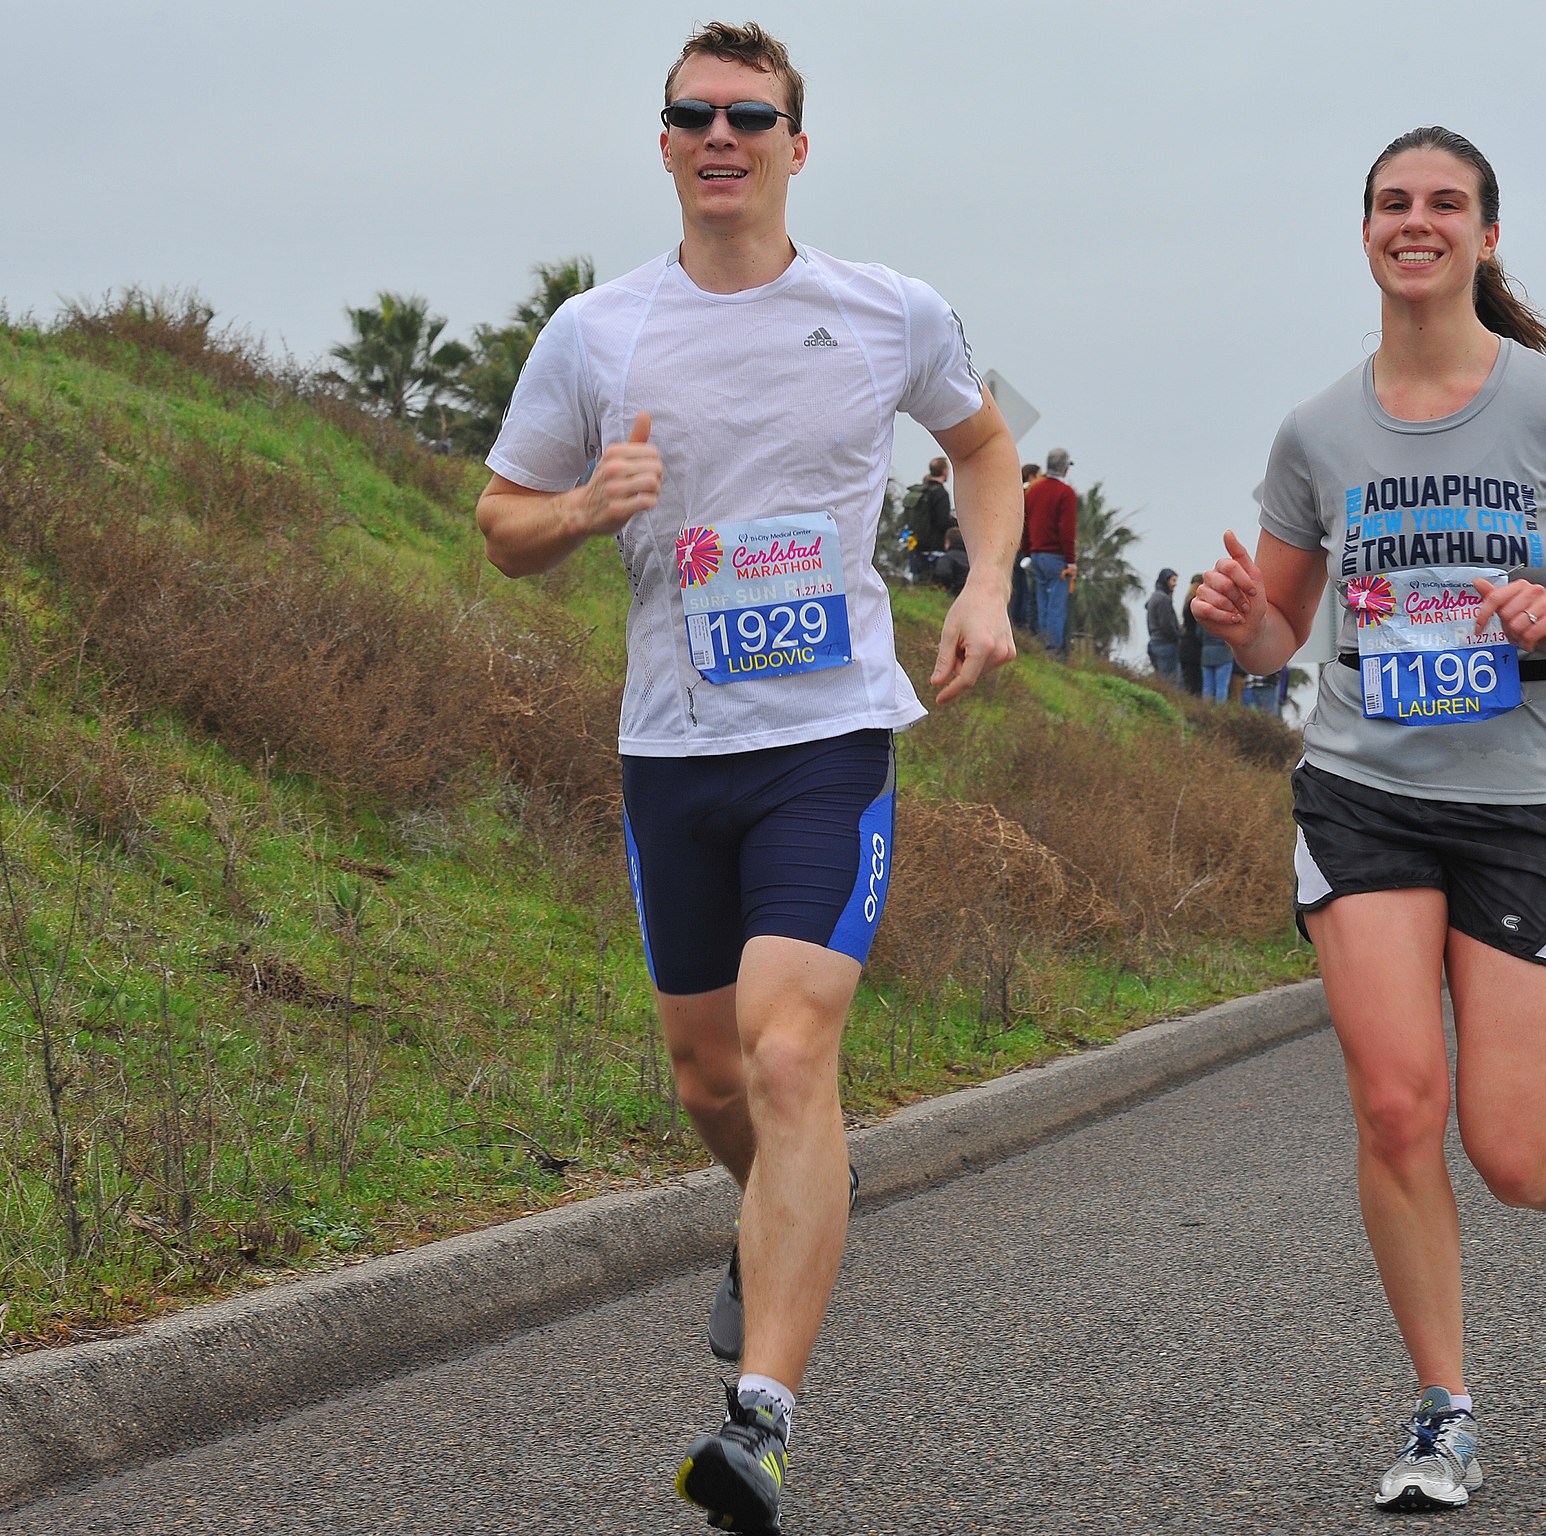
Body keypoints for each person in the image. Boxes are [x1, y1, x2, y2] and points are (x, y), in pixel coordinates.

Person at [475, 23, 1020, 1531]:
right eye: (692, 115)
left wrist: (984, 586)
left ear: (797, 143)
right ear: (663, 145)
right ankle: (778, 1209)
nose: (722, 136)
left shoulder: (890, 310)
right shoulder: (596, 333)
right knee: (711, 1075)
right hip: (673, 750)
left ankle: (758, 1423)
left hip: (827, 741)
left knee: (791, 1059)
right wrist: (588, 504)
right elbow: (499, 524)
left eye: (750, 115)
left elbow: (988, 449)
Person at [1193, 124, 1546, 1513]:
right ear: (1368, 234)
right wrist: (1242, 622)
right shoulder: (1317, 431)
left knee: (1511, 1145)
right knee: (1400, 1103)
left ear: (1484, 237)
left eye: (1446, 204)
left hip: (1524, 809)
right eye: (1394, 204)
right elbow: (1279, 634)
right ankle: (1443, 1411)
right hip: (1365, 797)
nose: (1417, 222)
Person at [1024, 447, 1077, 652]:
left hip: (1036, 554)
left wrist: (1028, 552)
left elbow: (1025, 523)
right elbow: (1066, 531)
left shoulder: (1034, 489)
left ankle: (1043, 643)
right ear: (1065, 468)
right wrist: (1071, 561)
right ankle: (1052, 649)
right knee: (1056, 605)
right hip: (1056, 556)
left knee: (1043, 603)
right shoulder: (1065, 493)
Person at [902, 457, 954, 584]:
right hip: (935, 548)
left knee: (919, 582)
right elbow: (942, 522)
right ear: (945, 471)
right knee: (932, 584)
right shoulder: (941, 493)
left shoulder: (922, 490)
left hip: (917, 544)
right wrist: (955, 524)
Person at [1009, 463, 1040, 632]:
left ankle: (1015, 621)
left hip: (1013, 546)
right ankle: (1023, 625)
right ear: (1031, 476)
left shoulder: (1015, 493)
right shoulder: (1030, 495)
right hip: (1024, 548)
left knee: (1017, 589)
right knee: (1026, 590)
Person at [1145, 567, 1180, 679]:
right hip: (1165, 644)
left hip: (1155, 642)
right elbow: (1166, 624)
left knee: (1162, 679)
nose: (1175, 584)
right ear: (1166, 580)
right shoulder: (1163, 599)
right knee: (1171, 680)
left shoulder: (1154, 597)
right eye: (1173, 580)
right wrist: (1176, 637)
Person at [1177, 573, 1205, 695]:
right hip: (1195, 648)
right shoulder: (1197, 603)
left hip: (1185, 645)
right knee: (1196, 683)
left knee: (1188, 683)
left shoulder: (1187, 601)